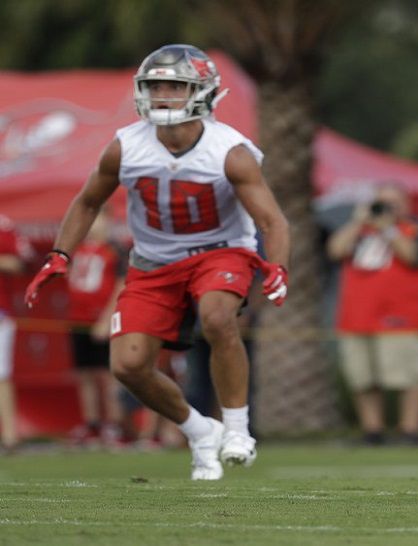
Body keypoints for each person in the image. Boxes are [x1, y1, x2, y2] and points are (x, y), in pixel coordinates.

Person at [23, 45, 290, 480]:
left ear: (202, 92)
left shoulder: (229, 150)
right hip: (152, 261)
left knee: (218, 317)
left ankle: (238, 430)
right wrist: (60, 253)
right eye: (155, 85)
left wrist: (277, 265)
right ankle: (200, 429)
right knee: (127, 365)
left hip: (219, 250)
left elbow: (272, 219)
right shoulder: (126, 146)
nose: (163, 94)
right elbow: (88, 200)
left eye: (175, 86)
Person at [327, 183, 418, 446]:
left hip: (402, 317)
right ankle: (372, 431)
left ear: (405, 205)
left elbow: (413, 256)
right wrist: (357, 222)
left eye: (392, 203)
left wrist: (388, 227)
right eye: (381, 202)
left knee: (408, 377)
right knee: (363, 378)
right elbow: (335, 250)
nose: (386, 208)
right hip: (357, 317)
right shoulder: (360, 232)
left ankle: (411, 431)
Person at [65, 209, 126, 448]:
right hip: (77, 319)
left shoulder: (115, 249)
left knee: (107, 375)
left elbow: (121, 284)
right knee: (85, 373)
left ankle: (114, 424)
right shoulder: (76, 247)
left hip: (102, 320)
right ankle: (92, 423)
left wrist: (106, 318)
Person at [0, 214, 26, 452]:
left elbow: (18, 262)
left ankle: (10, 436)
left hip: (0, 310)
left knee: (2, 375)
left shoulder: (4, 225)